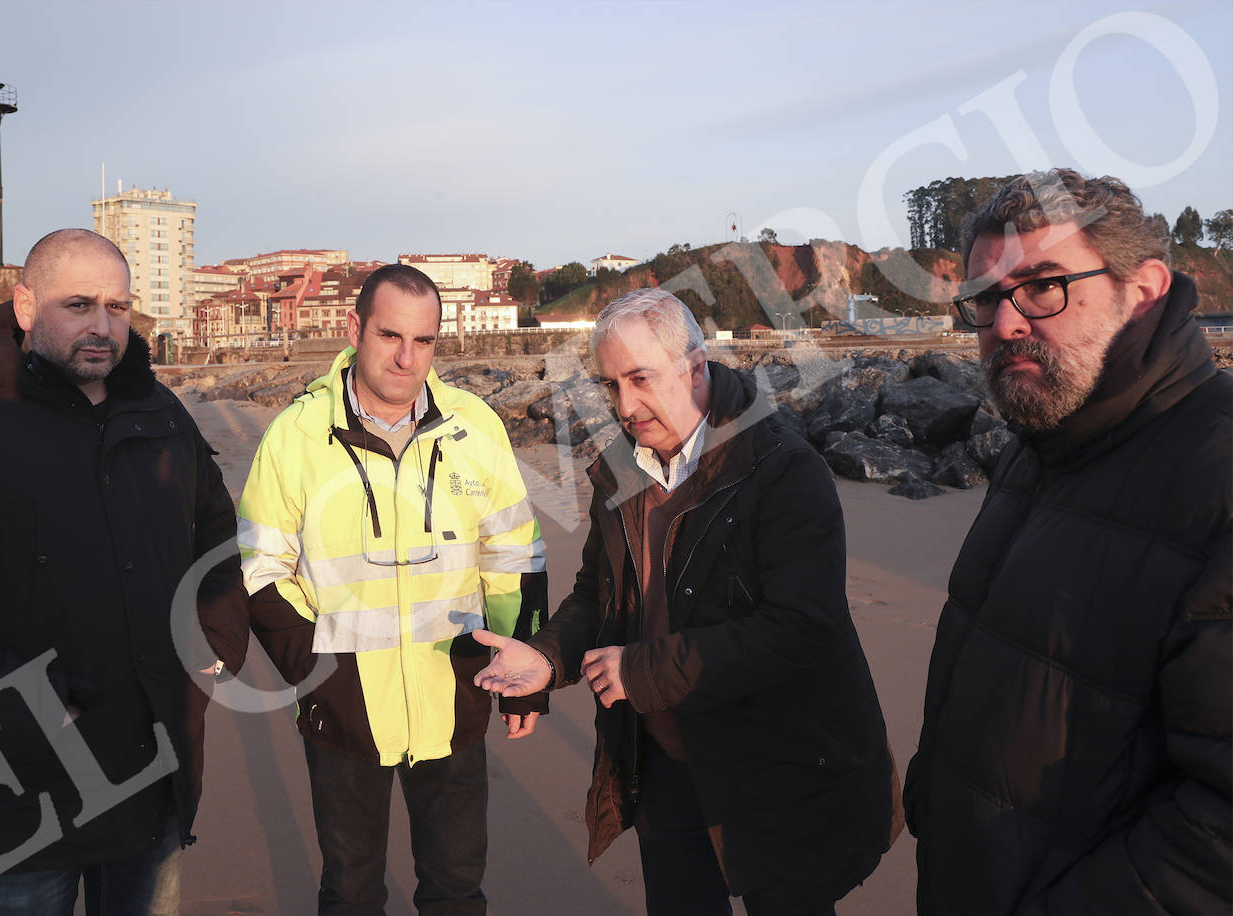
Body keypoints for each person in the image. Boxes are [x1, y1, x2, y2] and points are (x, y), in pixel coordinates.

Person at [0, 228, 249, 915]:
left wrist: (214, 642)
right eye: (78, 305)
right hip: (16, 804)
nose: (102, 326)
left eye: (118, 307)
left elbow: (214, 531)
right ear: (25, 306)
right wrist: (33, 708)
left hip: (153, 778)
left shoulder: (159, 414)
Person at [473, 288, 897, 916]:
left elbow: (801, 630)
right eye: (610, 384)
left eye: (640, 378)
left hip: (776, 765)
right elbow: (597, 591)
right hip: (664, 766)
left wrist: (641, 670)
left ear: (695, 368)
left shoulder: (783, 468)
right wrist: (547, 658)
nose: (624, 406)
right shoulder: (621, 469)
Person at [904, 169, 1232, 913]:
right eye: (985, 298)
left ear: (1143, 290)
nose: (1005, 323)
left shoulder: (1217, 476)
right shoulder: (1042, 439)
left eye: (1044, 285)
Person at [237, 263, 548, 915]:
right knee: (350, 893)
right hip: (342, 705)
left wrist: (525, 674)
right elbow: (259, 567)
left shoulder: (474, 426)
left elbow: (515, 553)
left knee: (456, 890)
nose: (407, 358)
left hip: (455, 692)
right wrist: (317, 673)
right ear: (355, 330)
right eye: (390, 336)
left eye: (424, 340)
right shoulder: (296, 435)